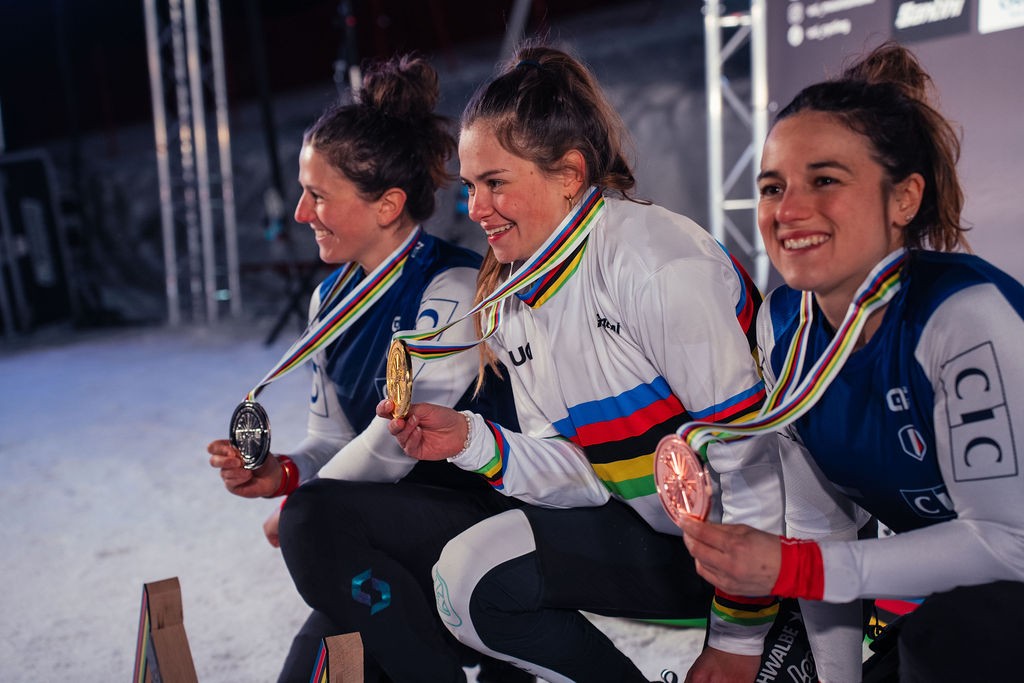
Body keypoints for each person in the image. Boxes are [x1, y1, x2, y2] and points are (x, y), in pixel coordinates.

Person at [378, 45, 796, 683]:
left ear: (569, 173)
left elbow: (753, 465)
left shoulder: (656, 264)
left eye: (495, 183)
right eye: (469, 186)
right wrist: (470, 440)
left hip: (777, 545)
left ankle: (796, 628)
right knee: (466, 583)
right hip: (675, 543)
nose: (475, 209)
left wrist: (737, 638)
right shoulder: (510, 300)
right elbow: (583, 473)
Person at [679, 42, 1024, 682]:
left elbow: (1010, 544)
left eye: (826, 181)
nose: (788, 211)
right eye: (773, 187)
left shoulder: (961, 316)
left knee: (947, 639)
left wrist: (794, 566)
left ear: (904, 199)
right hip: (963, 605)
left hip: (991, 600)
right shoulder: (785, 327)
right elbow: (822, 527)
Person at [207, 55, 529, 683]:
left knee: (315, 530)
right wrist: (282, 473)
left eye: (317, 196)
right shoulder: (328, 300)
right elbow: (332, 439)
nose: (301, 214)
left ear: (387, 206)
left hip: (484, 527)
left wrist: (306, 508)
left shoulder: (453, 287)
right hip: (380, 531)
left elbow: (394, 443)